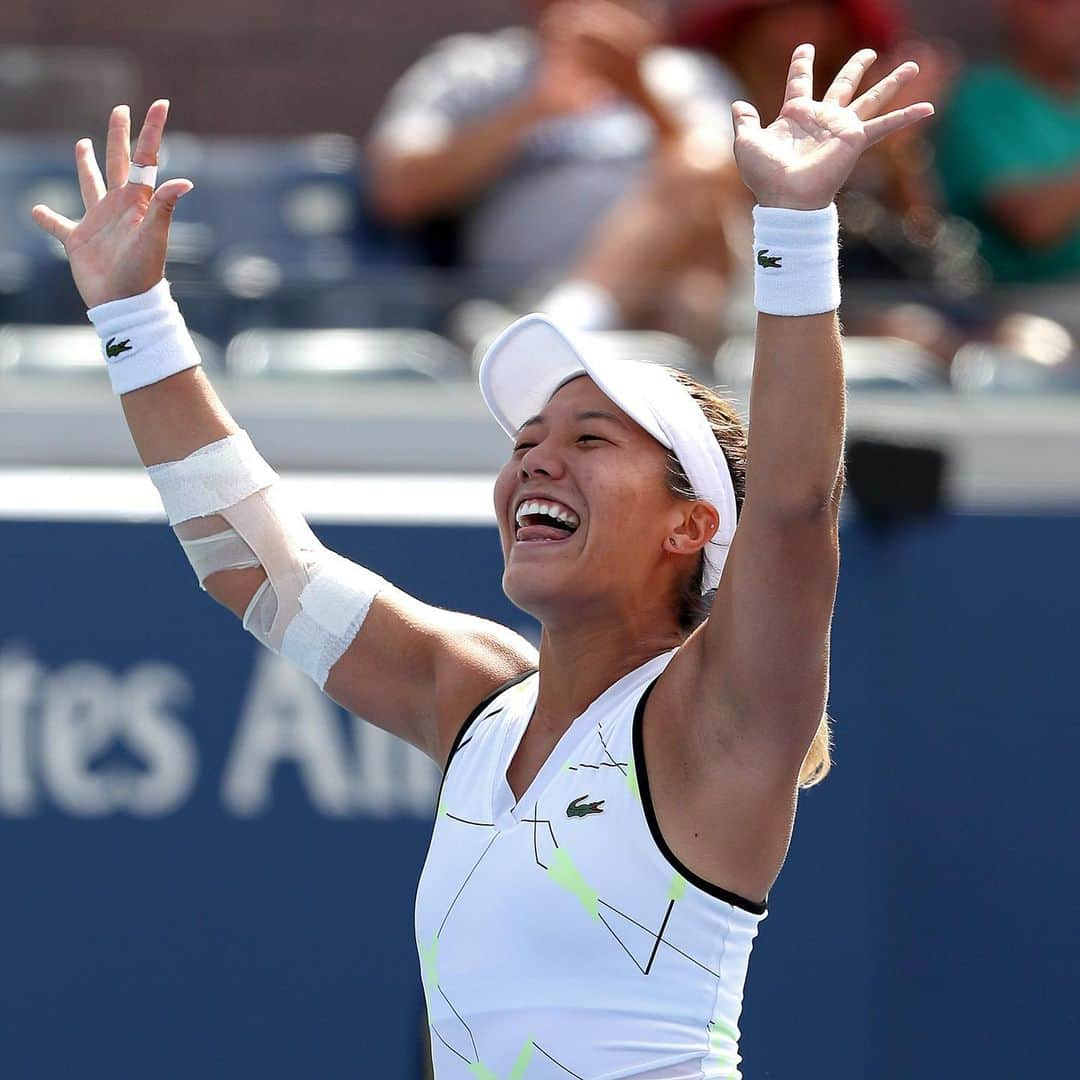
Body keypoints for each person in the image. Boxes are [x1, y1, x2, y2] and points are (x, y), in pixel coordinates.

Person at [32, 43, 932, 1079]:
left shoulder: (719, 719)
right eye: (526, 442)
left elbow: (788, 506)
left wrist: (794, 224)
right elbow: (252, 564)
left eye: (591, 439)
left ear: (692, 526)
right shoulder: (476, 699)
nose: (539, 457)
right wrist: (134, 314)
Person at [368, 0, 746, 343]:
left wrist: (639, 92)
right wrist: (532, 109)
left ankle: (562, 331)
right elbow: (396, 189)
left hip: (661, 309)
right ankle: (559, 331)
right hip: (511, 303)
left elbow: (728, 183)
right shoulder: (475, 69)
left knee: (696, 218)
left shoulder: (688, 75)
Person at [934, 0, 1080, 284]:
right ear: (1011, 8)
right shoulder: (983, 100)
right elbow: (1035, 226)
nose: (1075, 14)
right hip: (1018, 300)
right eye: (1056, 3)